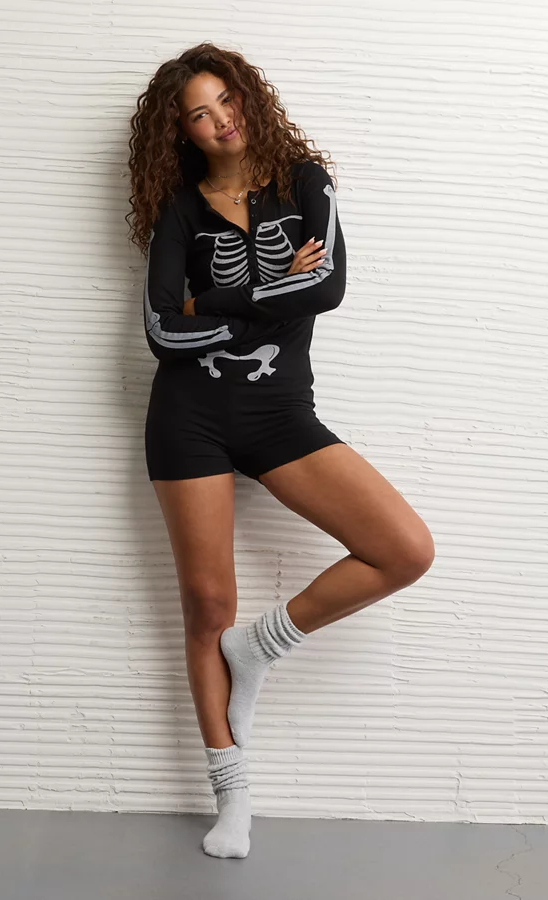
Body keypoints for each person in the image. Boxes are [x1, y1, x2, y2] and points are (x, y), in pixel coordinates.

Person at [127, 42, 435, 859]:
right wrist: (268, 291)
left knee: (404, 549)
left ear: (248, 98)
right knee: (206, 606)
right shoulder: (180, 211)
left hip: (279, 415)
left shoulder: (304, 183)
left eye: (226, 99)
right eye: (199, 113)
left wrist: (209, 301)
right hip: (187, 419)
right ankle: (232, 797)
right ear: (181, 131)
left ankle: (260, 645)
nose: (220, 120)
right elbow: (161, 331)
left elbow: (326, 287)